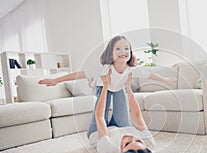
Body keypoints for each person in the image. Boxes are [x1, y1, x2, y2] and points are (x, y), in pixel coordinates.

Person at [39, 35, 176, 138]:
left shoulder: (131, 69)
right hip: (102, 88)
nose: (123, 51)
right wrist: (56, 80)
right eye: (118, 48)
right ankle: (95, 132)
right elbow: (79, 74)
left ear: (131, 52)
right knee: (101, 115)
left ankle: (118, 130)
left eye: (126, 48)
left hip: (119, 89)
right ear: (111, 52)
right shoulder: (104, 68)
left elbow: (149, 74)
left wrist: (165, 80)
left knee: (123, 118)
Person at [91, 71, 193, 153]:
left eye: (128, 143)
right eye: (138, 141)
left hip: (99, 131)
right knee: (118, 88)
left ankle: (98, 82)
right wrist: (128, 87)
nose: (133, 137)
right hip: (123, 126)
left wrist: (105, 86)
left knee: (105, 92)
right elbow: (137, 115)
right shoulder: (149, 142)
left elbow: (99, 117)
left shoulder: (110, 151)